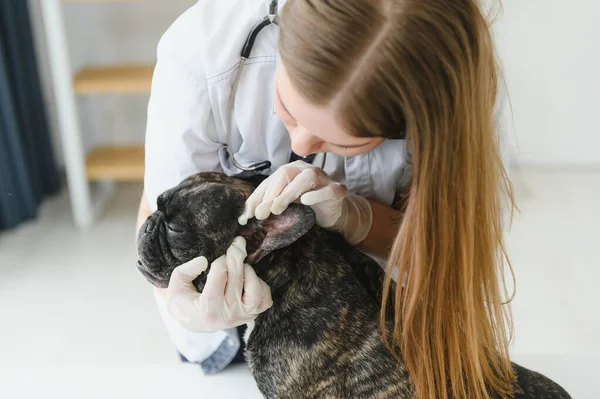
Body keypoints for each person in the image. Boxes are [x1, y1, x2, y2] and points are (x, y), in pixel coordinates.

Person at [136, 1, 517, 398]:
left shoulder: (455, 92)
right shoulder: (203, 52)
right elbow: (164, 215)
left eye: (341, 142)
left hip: (392, 335)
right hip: (240, 334)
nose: (299, 144)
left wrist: (360, 219)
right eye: (286, 107)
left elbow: (451, 257)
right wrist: (187, 306)